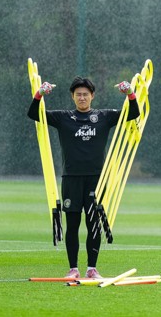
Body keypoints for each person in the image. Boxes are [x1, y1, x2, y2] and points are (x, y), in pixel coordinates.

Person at [28, 75, 139, 280]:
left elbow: (133, 113)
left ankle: (91, 269)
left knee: (93, 222)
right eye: (78, 94)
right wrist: (39, 94)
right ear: (72, 97)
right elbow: (34, 114)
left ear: (92, 96)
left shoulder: (104, 116)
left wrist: (130, 94)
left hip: (97, 178)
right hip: (71, 177)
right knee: (72, 223)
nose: (82, 98)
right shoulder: (63, 117)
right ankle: (73, 269)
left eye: (85, 94)